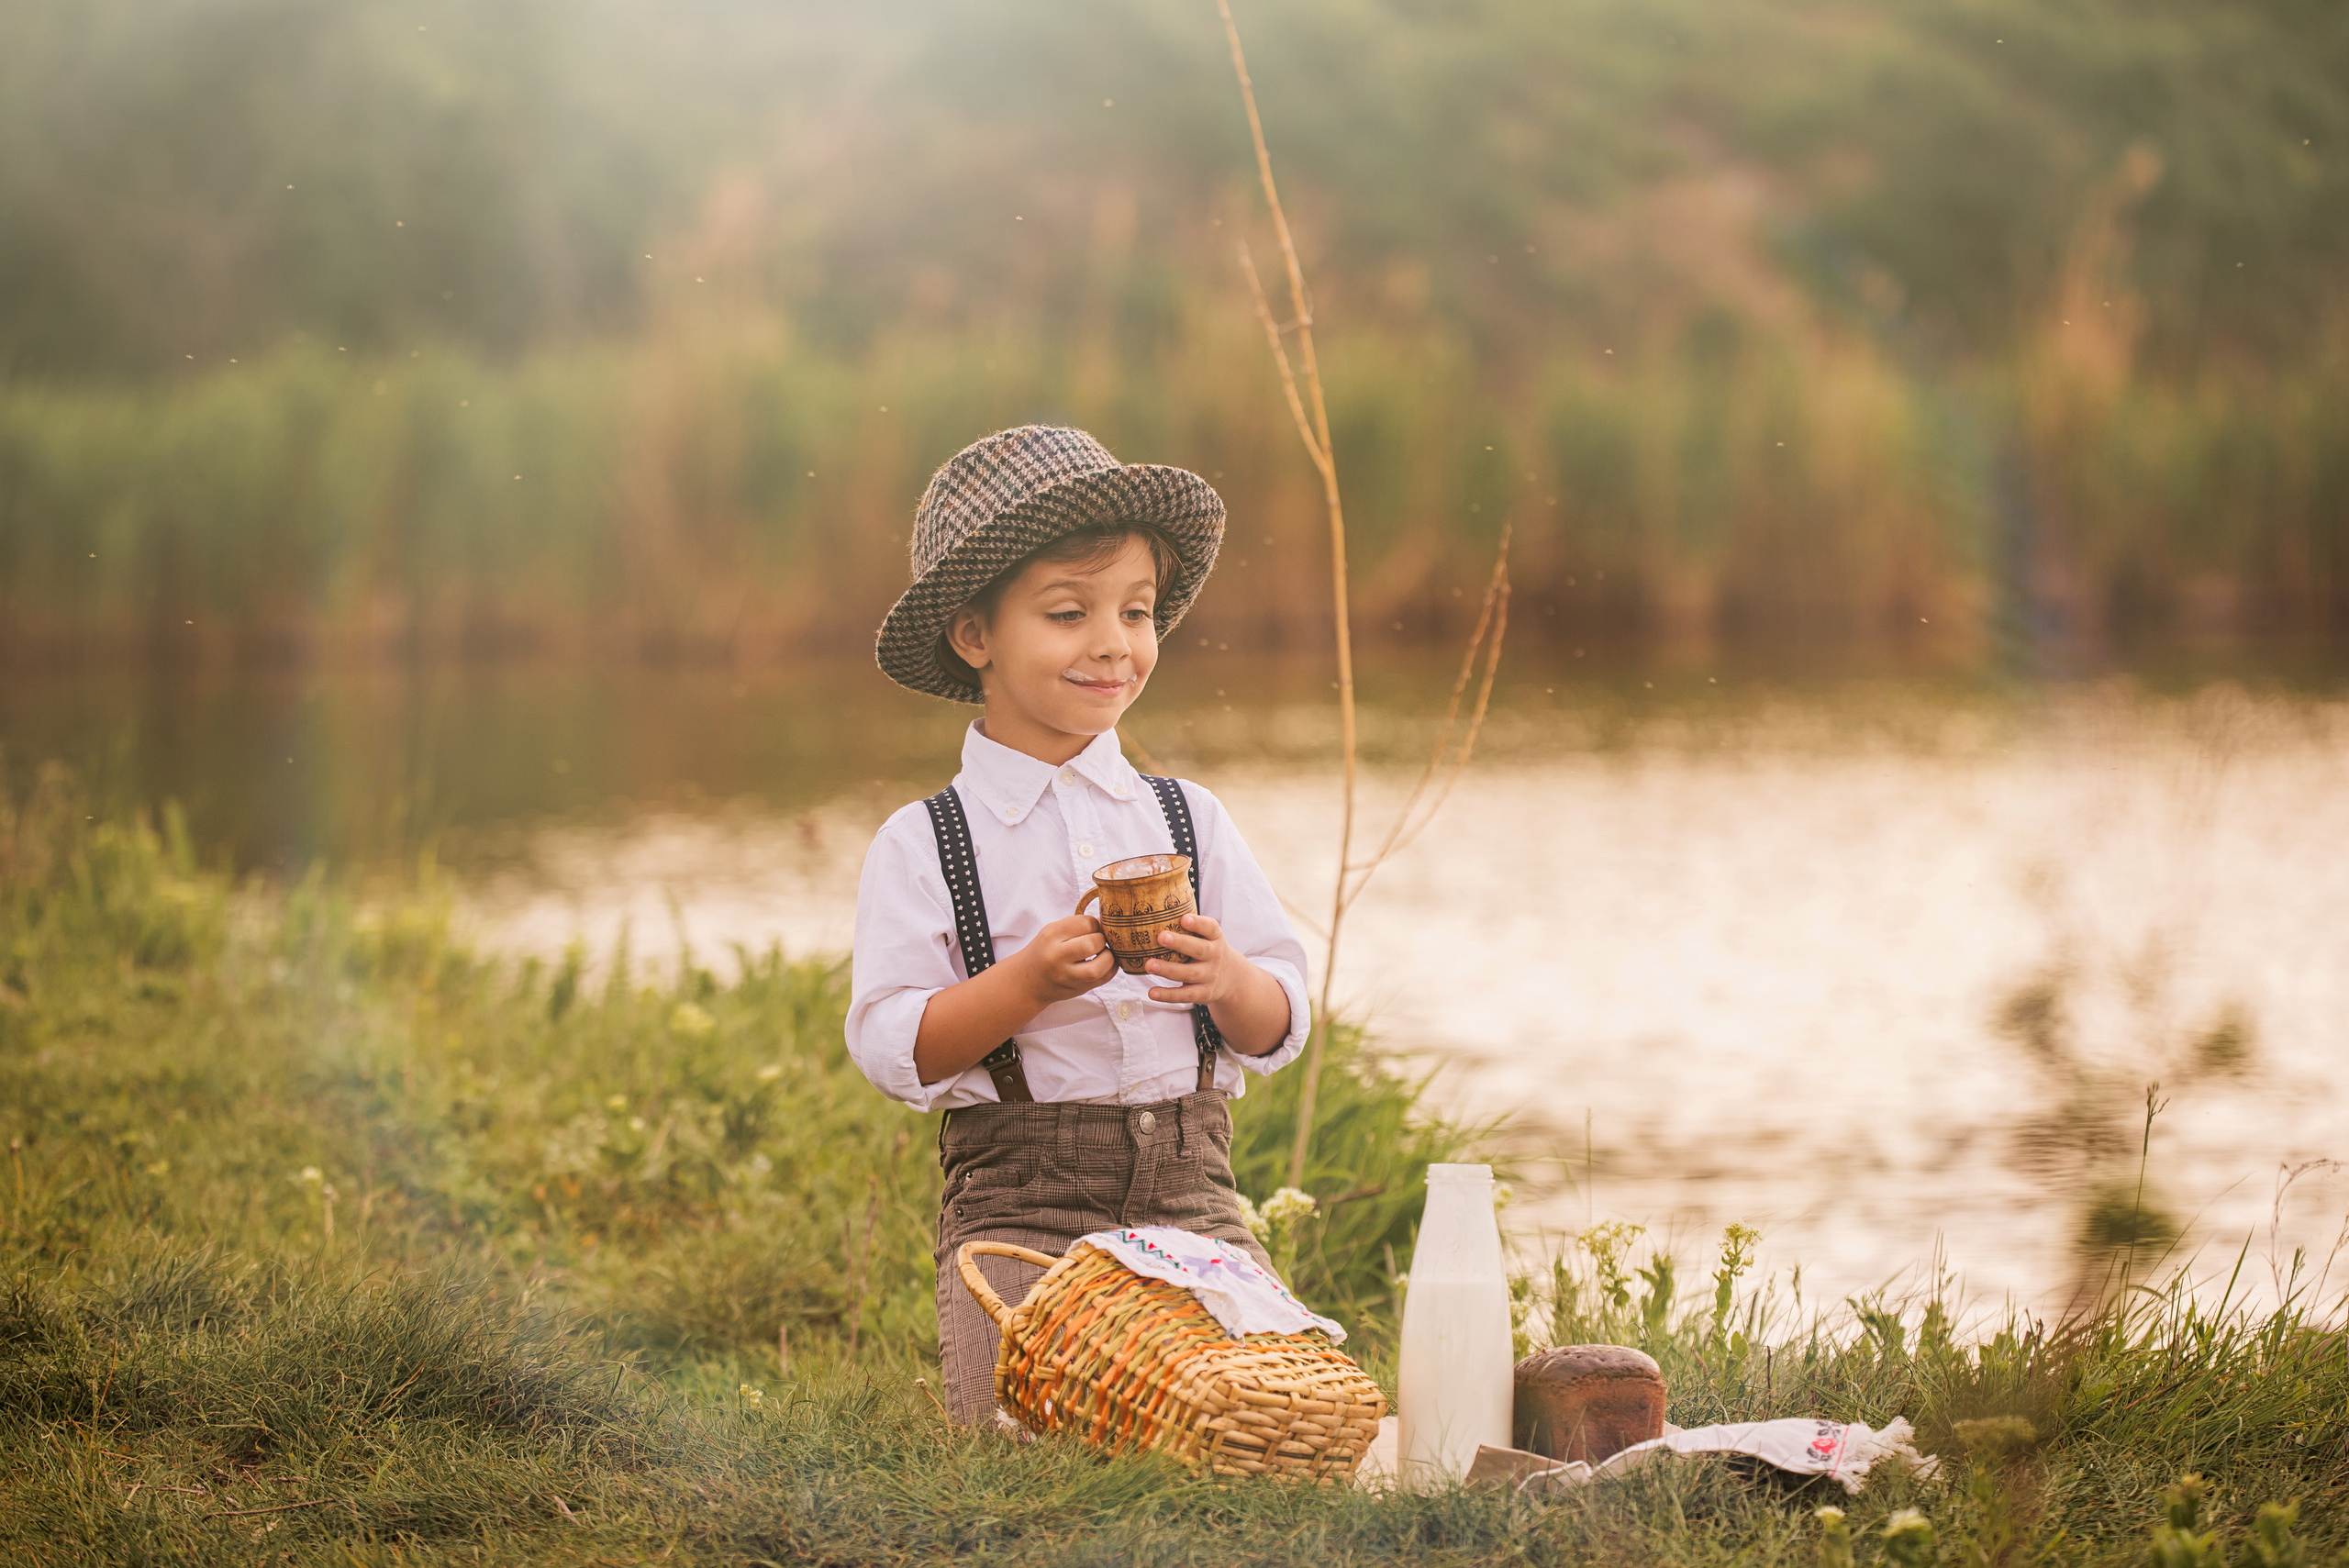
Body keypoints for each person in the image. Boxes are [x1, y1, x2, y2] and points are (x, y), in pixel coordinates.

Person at [847, 425, 1311, 1424]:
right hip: (1022, 1204)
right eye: (1069, 613)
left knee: (1259, 1417)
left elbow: (1281, 1018)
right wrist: (1024, 984)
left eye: (1136, 612)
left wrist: (1229, 979)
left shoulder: (1186, 816)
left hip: (1193, 1199)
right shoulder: (927, 841)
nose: (1113, 642)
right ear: (975, 636)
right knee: (1028, 1428)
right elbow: (894, 1047)